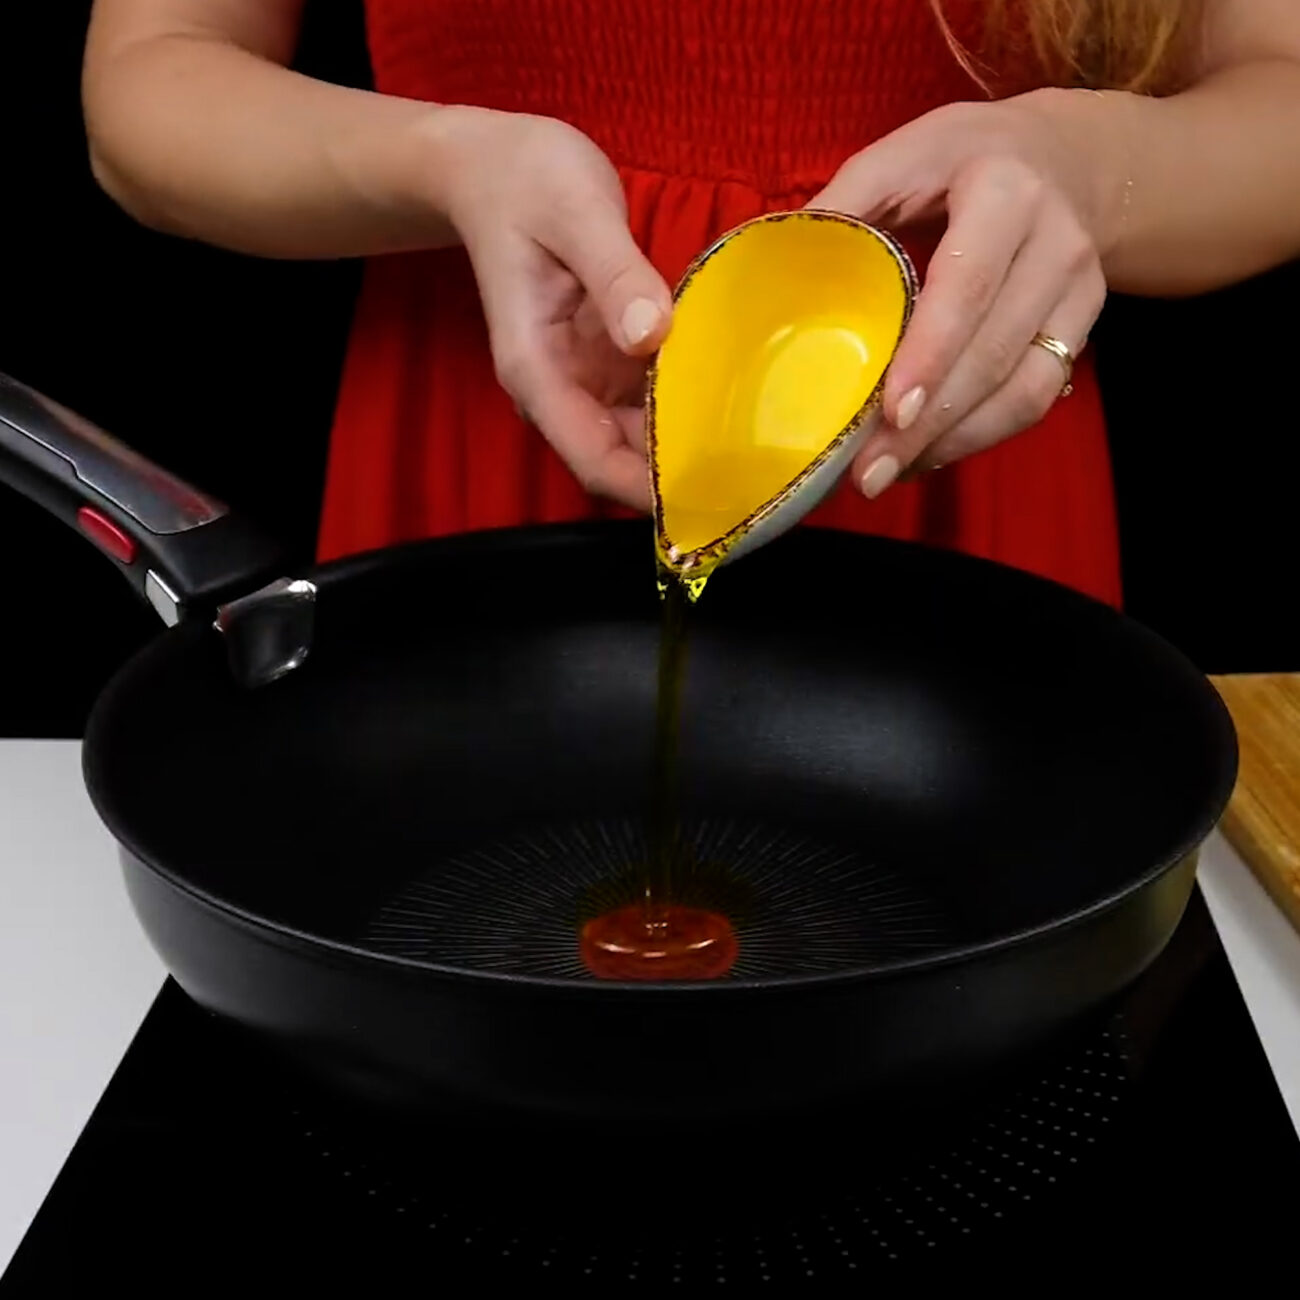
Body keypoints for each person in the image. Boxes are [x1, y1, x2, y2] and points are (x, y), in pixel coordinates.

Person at [80, 1, 1300, 607]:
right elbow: (149, 79)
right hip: (497, 414)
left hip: (954, 433)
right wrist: (440, 162)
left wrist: (1091, 167)